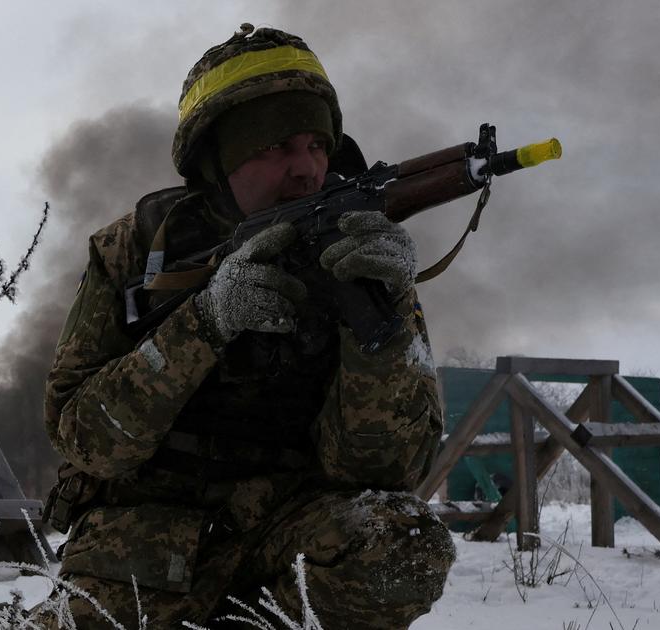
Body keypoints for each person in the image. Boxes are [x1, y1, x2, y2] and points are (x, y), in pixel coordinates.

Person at [40, 24, 454, 628]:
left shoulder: (360, 251)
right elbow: (84, 440)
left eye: (317, 144)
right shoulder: (134, 252)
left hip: (287, 537)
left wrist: (383, 329)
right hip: (144, 547)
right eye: (276, 146)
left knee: (406, 543)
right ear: (216, 157)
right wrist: (205, 324)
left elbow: (385, 473)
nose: (306, 169)